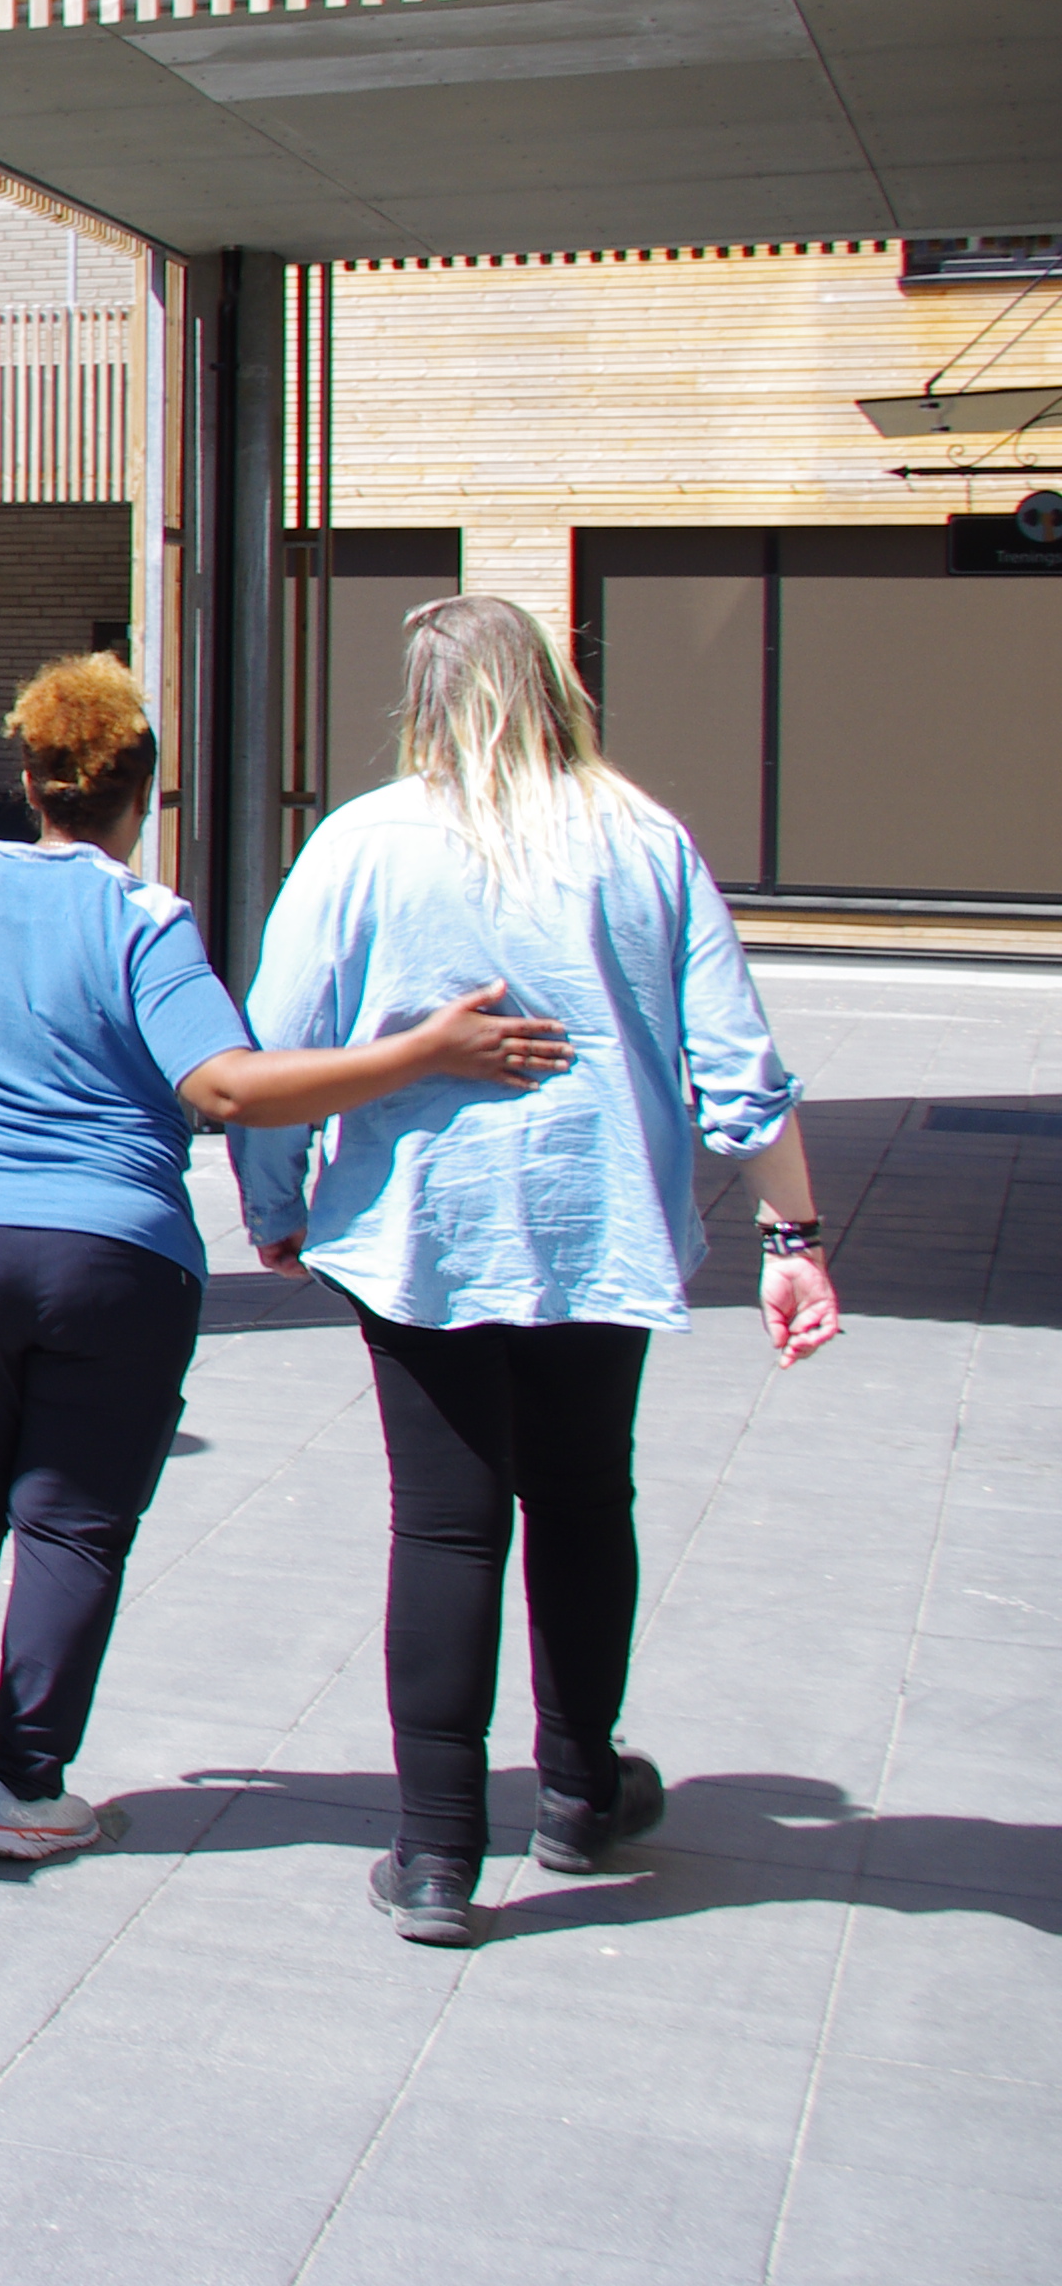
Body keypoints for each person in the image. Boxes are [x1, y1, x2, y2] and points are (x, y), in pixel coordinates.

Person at [0, 654, 568, 1863]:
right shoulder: (145, 922)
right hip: (112, 1258)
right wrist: (424, 1051)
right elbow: (226, 1088)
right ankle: (20, 1790)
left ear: (28, 780)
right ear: (141, 795)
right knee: (71, 1523)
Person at [238, 595, 832, 1949]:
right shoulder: (643, 839)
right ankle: (576, 1788)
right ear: (555, 689)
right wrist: (792, 1240)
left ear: (420, 702)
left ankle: (436, 1854)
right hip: (596, 1226)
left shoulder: (361, 842)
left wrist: (274, 1206)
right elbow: (738, 1067)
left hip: (422, 1234)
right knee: (581, 1502)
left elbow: (273, 1046)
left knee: (445, 1528)